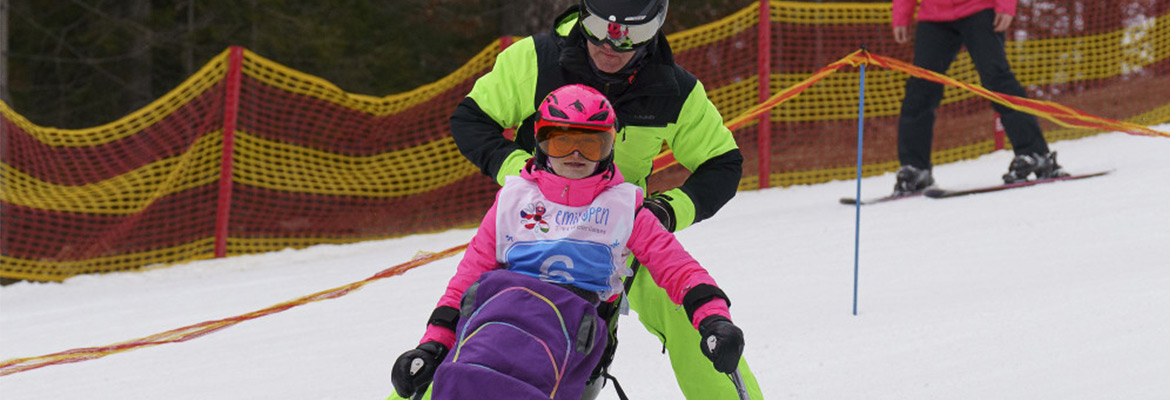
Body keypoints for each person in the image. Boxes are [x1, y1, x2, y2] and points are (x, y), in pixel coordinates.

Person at [390, 85, 746, 400]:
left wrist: (714, 319)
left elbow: (678, 269)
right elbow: (467, 282)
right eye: (562, 142)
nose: (576, 155)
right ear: (542, 143)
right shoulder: (512, 201)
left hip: (570, 344)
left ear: (609, 147)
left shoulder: (624, 208)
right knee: (446, 379)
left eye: (591, 144)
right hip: (493, 336)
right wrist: (433, 344)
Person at [890, 0, 1069, 195]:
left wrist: (1006, 6)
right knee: (920, 88)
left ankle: (1034, 153)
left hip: (979, 8)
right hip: (933, 15)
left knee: (996, 78)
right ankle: (915, 169)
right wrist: (901, 14)